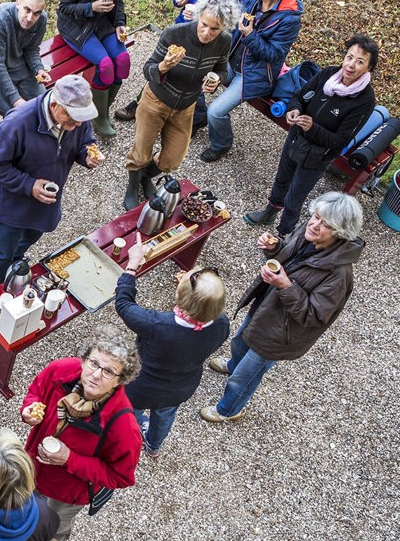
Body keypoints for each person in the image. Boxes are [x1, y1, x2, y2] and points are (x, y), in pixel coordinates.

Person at [201, 192, 364, 422]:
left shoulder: (338, 276)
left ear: (341, 232)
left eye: (325, 224)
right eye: (316, 216)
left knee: (246, 376)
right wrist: (275, 247)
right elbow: (289, 254)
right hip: (267, 306)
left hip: (282, 333)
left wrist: (285, 285)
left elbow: (314, 317)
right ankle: (233, 364)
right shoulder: (309, 233)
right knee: (240, 340)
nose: (315, 225)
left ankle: (229, 410)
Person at [243, 34, 379, 237]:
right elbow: (299, 96)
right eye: (349, 57)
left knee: (295, 197)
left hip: (318, 155)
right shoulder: (329, 74)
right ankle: (270, 212)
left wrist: (312, 128)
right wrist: (294, 109)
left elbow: (340, 142)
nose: (351, 65)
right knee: (281, 179)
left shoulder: (365, 100)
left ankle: (284, 236)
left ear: (368, 68)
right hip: (296, 138)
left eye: (360, 61)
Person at [0, 74, 104, 289]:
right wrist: (29, 185)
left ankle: (15, 266)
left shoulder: (77, 118)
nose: (76, 126)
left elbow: (85, 141)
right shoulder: (17, 123)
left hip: (45, 203)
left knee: (27, 239)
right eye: (72, 121)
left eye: (80, 121)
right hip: (12, 204)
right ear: (55, 105)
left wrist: (87, 155)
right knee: (3, 250)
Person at [122, 0, 241, 209]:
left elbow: (222, 69)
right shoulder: (174, 34)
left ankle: (147, 176)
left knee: (172, 160)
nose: (206, 32)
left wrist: (217, 80)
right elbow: (148, 70)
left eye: (214, 29)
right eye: (203, 24)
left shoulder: (224, 41)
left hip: (186, 106)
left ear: (224, 27)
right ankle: (132, 186)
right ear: (198, 16)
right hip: (156, 100)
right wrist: (164, 65)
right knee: (141, 151)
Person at [20, 325, 141, 540]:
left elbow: (120, 477)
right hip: (29, 466)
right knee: (20, 513)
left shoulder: (124, 427)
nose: (95, 375)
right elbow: (36, 391)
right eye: (94, 363)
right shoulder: (60, 369)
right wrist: (29, 408)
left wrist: (70, 459)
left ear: (120, 380)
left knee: (52, 529)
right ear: (84, 359)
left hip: (63, 495)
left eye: (109, 371)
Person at [115, 233, 230, 459]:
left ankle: (132, 435)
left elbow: (124, 304)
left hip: (141, 386)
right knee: (165, 416)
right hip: (181, 387)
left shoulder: (156, 324)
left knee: (132, 412)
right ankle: (154, 446)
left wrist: (132, 266)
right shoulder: (222, 324)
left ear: (180, 298)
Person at [114, 0, 248, 121]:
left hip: (208, 36)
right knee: (165, 66)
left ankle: (193, 117)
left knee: (194, 73)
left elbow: (226, 17)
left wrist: (198, 15)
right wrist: (179, 0)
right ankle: (142, 103)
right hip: (183, 28)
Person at [198, 0, 303, 162]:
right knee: (196, 73)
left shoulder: (289, 19)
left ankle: (221, 144)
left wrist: (250, 34)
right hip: (231, 60)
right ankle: (199, 117)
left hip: (254, 75)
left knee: (216, 111)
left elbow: (273, 55)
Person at [57, 0, 130, 140]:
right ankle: (98, 119)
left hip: (102, 22)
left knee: (123, 62)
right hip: (77, 25)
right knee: (106, 65)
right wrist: (91, 7)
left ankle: (102, 111)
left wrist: (119, 22)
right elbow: (64, 8)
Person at [0, 0, 51, 116]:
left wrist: (38, 69)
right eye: (27, 9)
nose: (29, 18)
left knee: (46, 107)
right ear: (18, 3)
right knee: (18, 118)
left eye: (36, 13)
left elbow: (31, 49)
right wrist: (15, 98)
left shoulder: (41, 20)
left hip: (20, 67)